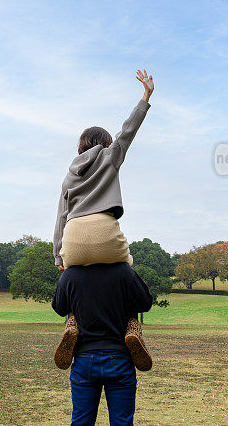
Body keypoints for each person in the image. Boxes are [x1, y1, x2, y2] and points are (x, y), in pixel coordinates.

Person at [52, 70, 155, 372]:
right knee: (127, 274)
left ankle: (72, 322)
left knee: (73, 284)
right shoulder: (111, 156)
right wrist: (146, 96)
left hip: (73, 235)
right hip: (105, 231)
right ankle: (132, 328)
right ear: (105, 143)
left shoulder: (70, 174)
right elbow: (129, 130)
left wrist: (59, 255)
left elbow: (60, 215)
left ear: (81, 146)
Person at [52, 262, 153, 425]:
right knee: (122, 422)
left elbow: (59, 307)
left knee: (81, 422)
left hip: (84, 358)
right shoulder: (124, 271)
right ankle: (133, 330)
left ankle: (72, 327)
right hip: (120, 357)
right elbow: (145, 303)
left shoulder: (71, 274)